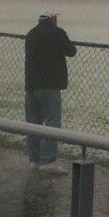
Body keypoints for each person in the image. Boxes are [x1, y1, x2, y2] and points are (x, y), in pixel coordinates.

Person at [24, 11, 76, 169]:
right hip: (50, 84)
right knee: (52, 122)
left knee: (33, 123)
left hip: (32, 84)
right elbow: (71, 51)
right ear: (53, 19)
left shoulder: (31, 34)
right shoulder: (57, 33)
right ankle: (48, 160)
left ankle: (34, 159)